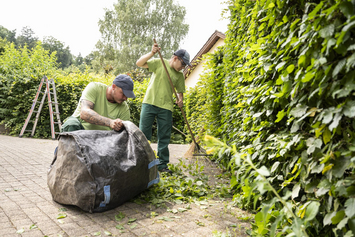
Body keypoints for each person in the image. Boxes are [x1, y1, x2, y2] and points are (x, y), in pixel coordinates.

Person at [136, 42, 191, 174]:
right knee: (143, 133)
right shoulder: (160, 62)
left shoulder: (179, 76)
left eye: (184, 66)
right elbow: (139, 63)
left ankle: (162, 165)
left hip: (166, 107)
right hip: (149, 102)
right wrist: (152, 53)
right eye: (183, 64)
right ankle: (142, 162)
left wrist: (180, 99)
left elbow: (180, 91)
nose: (183, 67)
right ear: (175, 58)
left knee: (164, 136)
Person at [60, 74, 136, 132]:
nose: (125, 99)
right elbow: (84, 113)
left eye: (127, 96)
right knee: (71, 124)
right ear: (113, 87)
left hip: (102, 139)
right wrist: (110, 122)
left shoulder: (124, 108)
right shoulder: (94, 88)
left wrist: (120, 125)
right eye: (123, 94)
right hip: (81, 129)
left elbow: (124, 132)